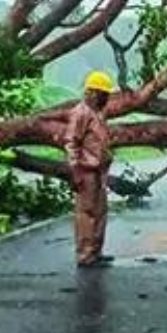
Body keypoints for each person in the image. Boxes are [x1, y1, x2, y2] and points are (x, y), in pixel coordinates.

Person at [65, 71, 116, 268]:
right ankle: (85, 255)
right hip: (86, 170)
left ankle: (96, 251)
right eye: (104, 94)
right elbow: (72, 142)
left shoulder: (97, 113)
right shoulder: (81, 113)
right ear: (93, 93)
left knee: (100, 211)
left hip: (98, 171)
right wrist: (75, 171)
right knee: (86, 213)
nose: (107, 98)